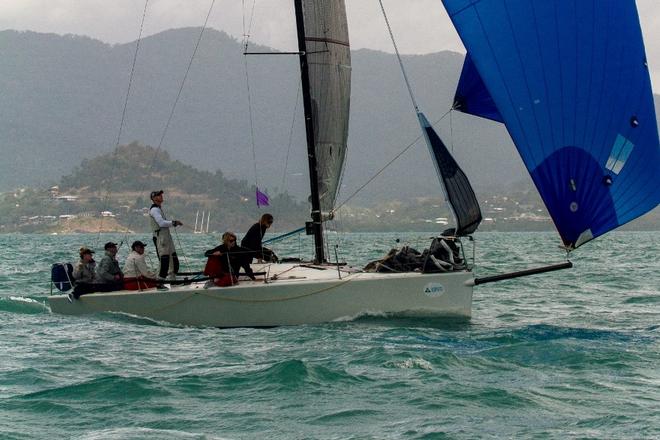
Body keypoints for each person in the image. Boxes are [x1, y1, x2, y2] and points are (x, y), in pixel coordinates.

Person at [149, 190, 183, 280]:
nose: (161, 196)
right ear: (153, 198)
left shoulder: (159, 209)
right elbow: (161, 223)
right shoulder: (154, 210)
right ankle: (160, 281)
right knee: (164, 259)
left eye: (161, 195)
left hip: (166, 236)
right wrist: (174, 223)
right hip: (161, 238)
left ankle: (172, 279)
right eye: (158, 195)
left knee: (173, 258)